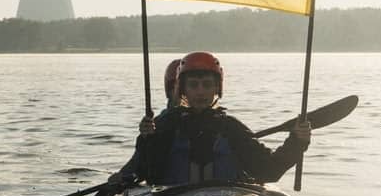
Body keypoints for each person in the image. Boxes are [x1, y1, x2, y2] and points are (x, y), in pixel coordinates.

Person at [125, 51, 311, 186]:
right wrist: (147, 139)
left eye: (207, 85)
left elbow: (269, 170)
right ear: (183, 90)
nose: (200, 92)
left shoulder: (231, 128)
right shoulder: (165, 126)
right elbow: (146, 173)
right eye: (193, 85)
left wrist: (297, 141)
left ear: (216, 88)